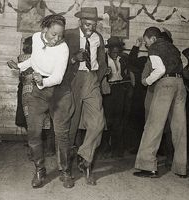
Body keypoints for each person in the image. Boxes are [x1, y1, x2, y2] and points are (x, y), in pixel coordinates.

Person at [7, 14, 74, 188]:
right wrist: (19, 66)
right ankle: (39, 170)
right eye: (53, 34)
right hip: (38, 91)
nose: (56, 39)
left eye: (60, 35)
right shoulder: (36, 38)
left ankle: (65, 171)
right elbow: (35, 59)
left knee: (61, 134)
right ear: (44, 29)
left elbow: (58, 77)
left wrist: (42, 81)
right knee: (34, 133)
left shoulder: (63, 48)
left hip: (59, 90)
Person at [133, 27, 187, 178]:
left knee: (153, 125)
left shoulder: (155, 47)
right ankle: (180, 168)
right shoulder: (173, 47)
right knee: (179, 128)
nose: (146, 45)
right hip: (180, 84)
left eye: (146, 42)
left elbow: (160, 70)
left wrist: (146, 81)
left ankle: (148, 166)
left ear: (153, 39)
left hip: (166, 84)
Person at [64, 7, 107, 185]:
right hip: (73, 80)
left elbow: (102, 60)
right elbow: (56, 59)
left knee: (98, 122)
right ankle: (66, 169)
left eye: (94, 23)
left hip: (91, 78)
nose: (91, 27)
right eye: (87, 23)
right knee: (70, 126)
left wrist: (97, 77)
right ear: (80, 21)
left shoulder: (98, 37)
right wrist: (74, 58)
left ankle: (84, 156)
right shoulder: (69, 35)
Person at [102, 36, 134, 158]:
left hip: (120, 90)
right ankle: (105, 148)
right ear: (109, 50)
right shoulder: (103, 60)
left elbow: (127, 74)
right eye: (113, 51)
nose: (115, 54)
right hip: (108, 91)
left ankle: (117, 150)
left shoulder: (123, 59)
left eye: (117, 51)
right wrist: (105, 73)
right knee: (107, 120)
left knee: (119, 120)